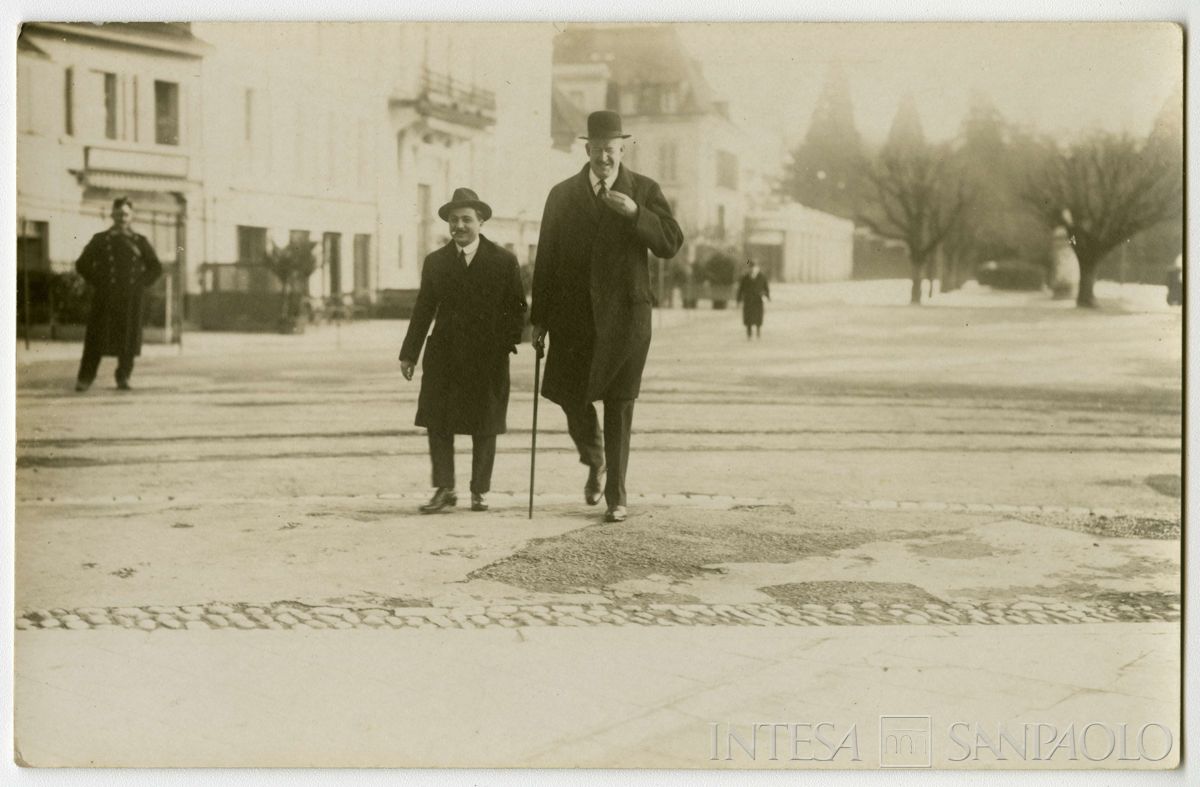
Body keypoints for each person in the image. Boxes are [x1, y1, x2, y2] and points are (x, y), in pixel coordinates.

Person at [531, 110, 684, 523]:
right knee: (568, 393)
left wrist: (637, 214)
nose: (604, 158)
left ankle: (617, 495)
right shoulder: (562, 195)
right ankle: (595, 458)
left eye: (611, 150)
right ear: (587, 149)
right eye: (597, 150)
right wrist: (538, 318)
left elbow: (671, 242)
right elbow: (546, 258)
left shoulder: (645, 190)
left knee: (619, 404)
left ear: (622, 149)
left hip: (626, 318)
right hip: (573, 317)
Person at [399, 188, 527, 514]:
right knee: (438, 422)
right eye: (454, 220)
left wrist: (505, 342)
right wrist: (409, 353)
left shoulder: (503, 260)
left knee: (485, 424)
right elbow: (423, 309)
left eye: (466, 219)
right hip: (445, 354)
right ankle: (445, 489)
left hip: (488, 356)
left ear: (480, 221)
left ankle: (480, 491)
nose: (459, 226)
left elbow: (517, 309)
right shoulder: (436, 262)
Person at [74, 197, 163, 392]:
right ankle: (85, 379)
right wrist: (99, 281)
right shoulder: (101, 239)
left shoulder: (140, 241)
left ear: (131, 217)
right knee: (96, 339)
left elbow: (155, 267)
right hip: (105, 297)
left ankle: (123, 377)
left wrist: (139, 284)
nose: (122, 218)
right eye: (119, 213)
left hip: (130, 298)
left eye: (126, 214)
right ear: (112, 214)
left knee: (127, 339)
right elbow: (82, 264)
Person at [736, 259, 771, 339]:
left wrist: (767, 296)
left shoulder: (762, 277)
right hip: (748, 300)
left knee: (758, 316)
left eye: (755, 267)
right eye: (751, 267)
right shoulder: (745, 277)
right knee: (748, 317)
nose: (753, 269)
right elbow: (741, 289)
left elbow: (766, 288)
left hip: (758, 300)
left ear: (757, 268)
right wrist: (738, 299)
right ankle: (749, 332)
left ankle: (758, 330)